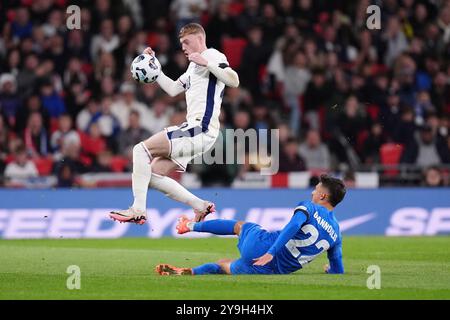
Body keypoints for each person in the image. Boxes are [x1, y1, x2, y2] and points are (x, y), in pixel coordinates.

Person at [110, 23, 239, 224]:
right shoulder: (192, 66)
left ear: (199, 38)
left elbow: (234, 80)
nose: (184, 47)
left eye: (187, 42)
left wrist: (207, 63)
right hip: (200, 134)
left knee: (140, 150)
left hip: (199, 128)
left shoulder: (213, 55)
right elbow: (172, 89)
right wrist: (155, 67)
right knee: (150, 174)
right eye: (181, 44)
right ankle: (200, 205)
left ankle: (138, 209)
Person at [155, 174, 346, 276]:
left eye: (316, 189)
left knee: (241, 226)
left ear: (323, 196)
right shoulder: (336, 234)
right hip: (273, 271)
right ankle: (191, 272)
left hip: (262, 248)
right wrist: (331, 271)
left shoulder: (310, 207)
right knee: (223, 266)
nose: (313, 192)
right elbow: (338, 270)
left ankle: (190, 226)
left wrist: (271, 251)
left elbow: (293, 226)